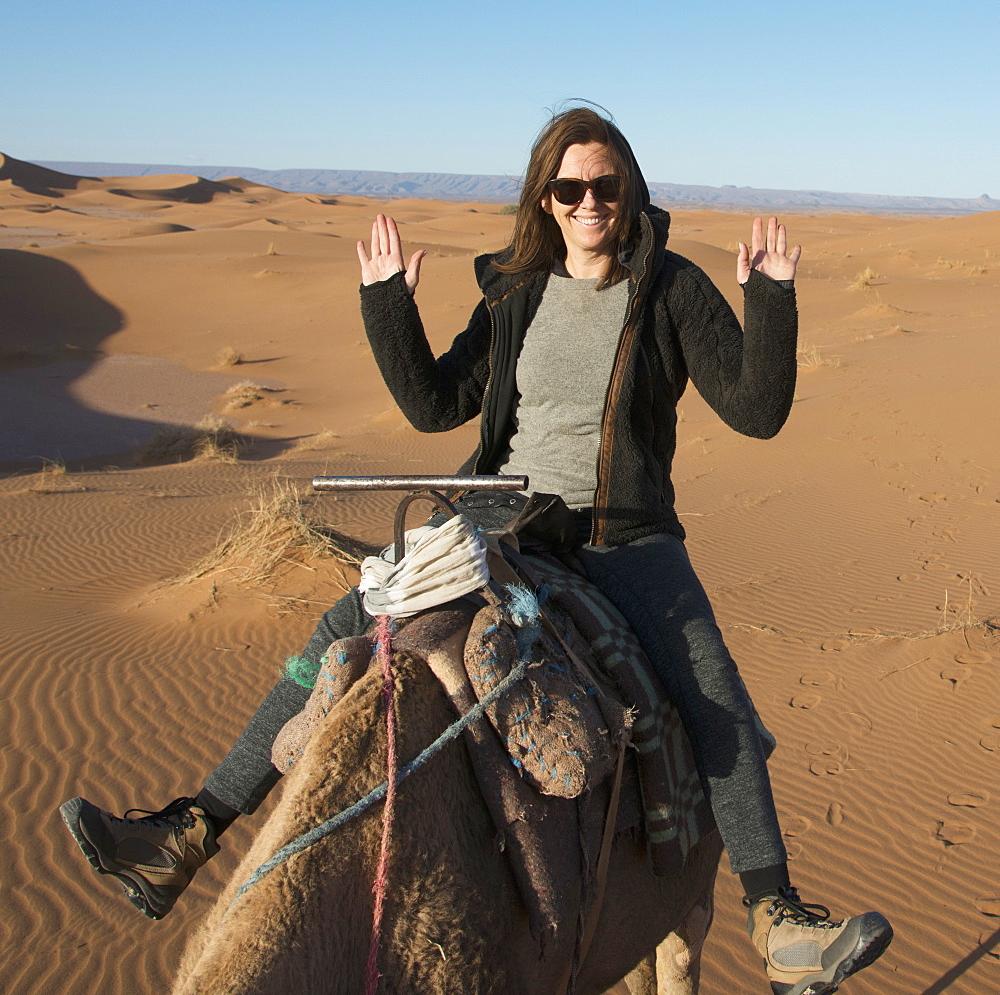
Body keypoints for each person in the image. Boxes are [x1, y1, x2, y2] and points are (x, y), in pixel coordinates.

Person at [61, 106, 892, 995]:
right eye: (568, 187)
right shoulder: (516, 292)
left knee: (711, 688)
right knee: (340, 629)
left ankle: (778, 919)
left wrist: (771, 300)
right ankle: (185, 835)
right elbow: (435, 404)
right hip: (496, 520)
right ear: (545, 196)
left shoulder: (671, 289)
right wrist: (388, 305)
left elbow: (757, 410)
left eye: (604, 186)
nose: (587, 203)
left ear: (629, 190)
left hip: (623, 532)